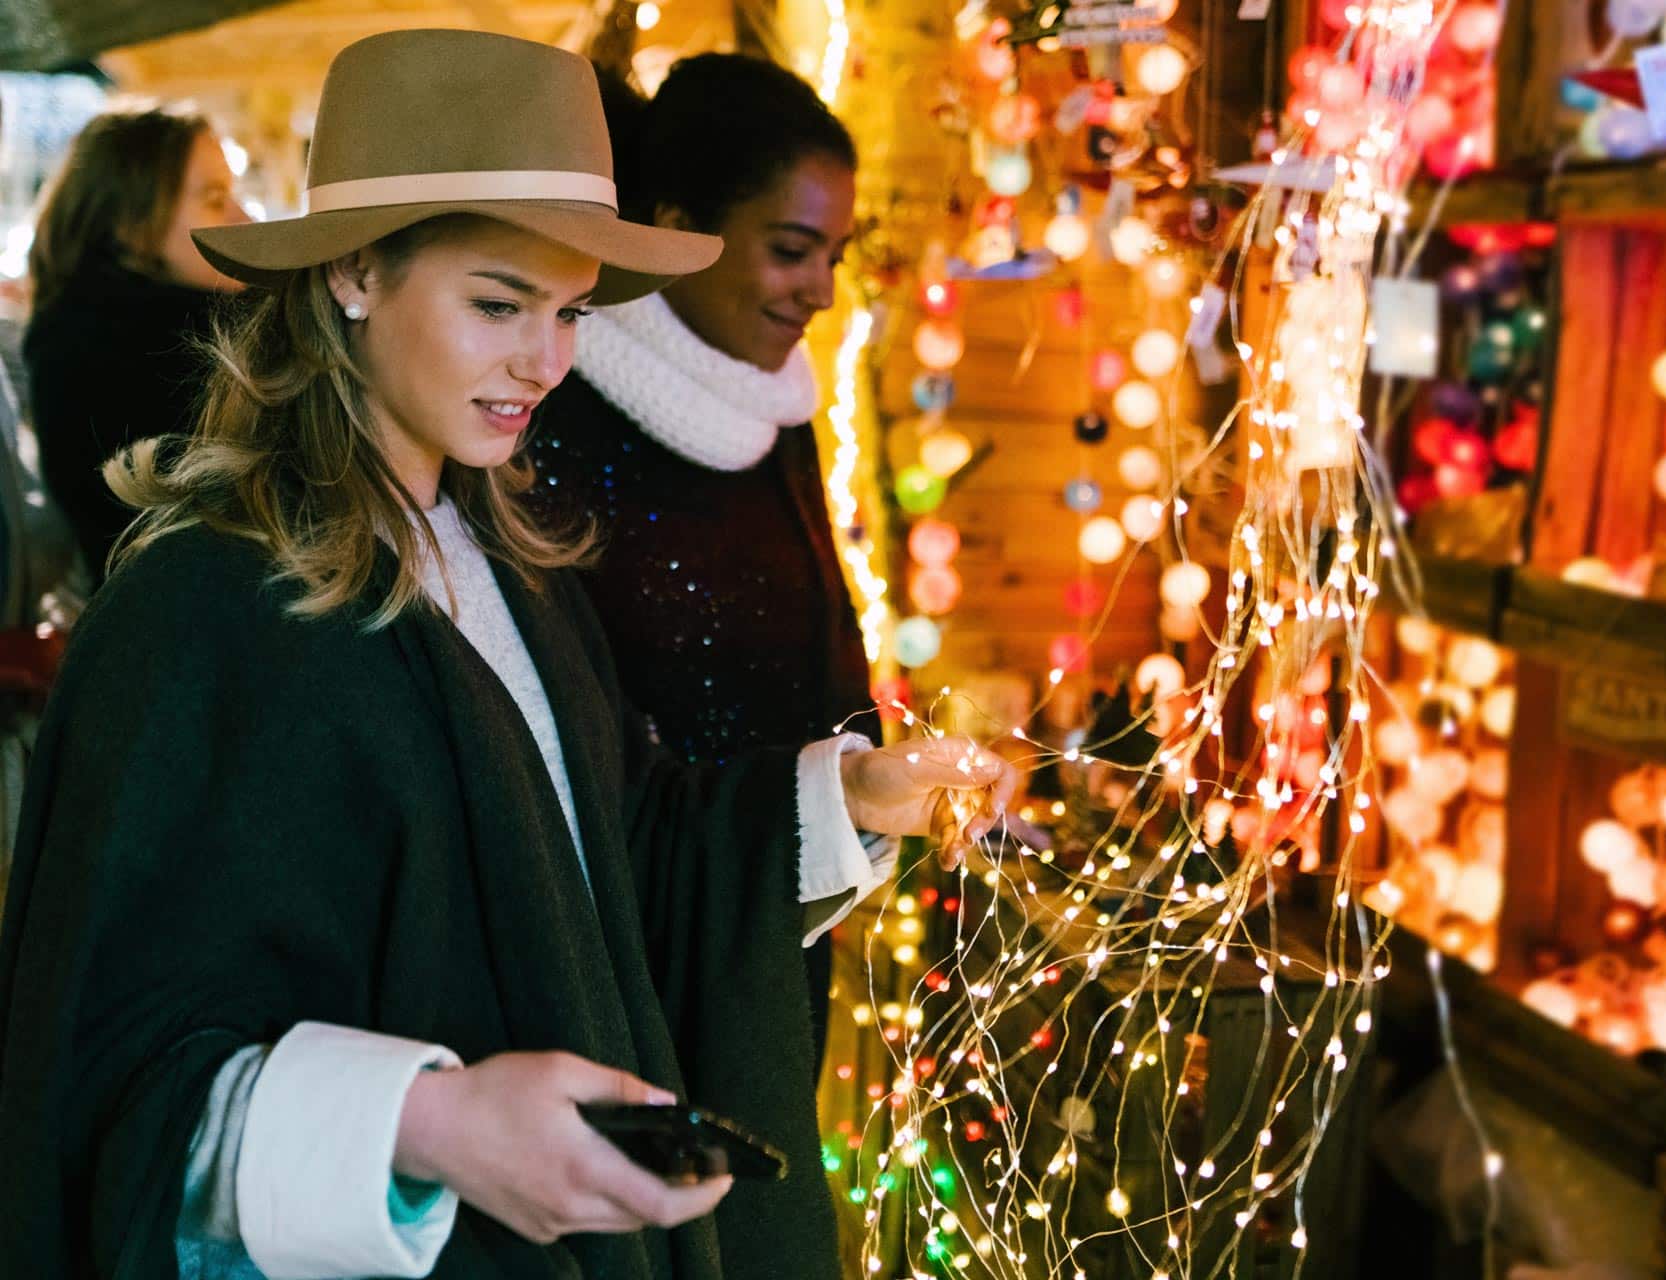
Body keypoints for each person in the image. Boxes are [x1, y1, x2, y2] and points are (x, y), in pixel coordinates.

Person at [0, 30, 1009, 1280]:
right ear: (358, 271)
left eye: (571, 310)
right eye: (498, 302)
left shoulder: (510, 567)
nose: (546, 362)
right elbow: (108, 1084)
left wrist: (835, 797)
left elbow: (603, 859)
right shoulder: (200, 613)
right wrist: (434, 1122)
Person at [526, 58, 867, 1280]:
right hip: (637, 931)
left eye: (836, 254)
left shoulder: (778, 409)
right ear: (676, 234)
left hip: (777, 897)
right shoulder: (554, 424)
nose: (820, 288)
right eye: (790, 249)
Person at [22, 104, 250, 581]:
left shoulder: (71, 337)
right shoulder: (132, 354)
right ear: (132, 219)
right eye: (214, 198)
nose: (243, 218)